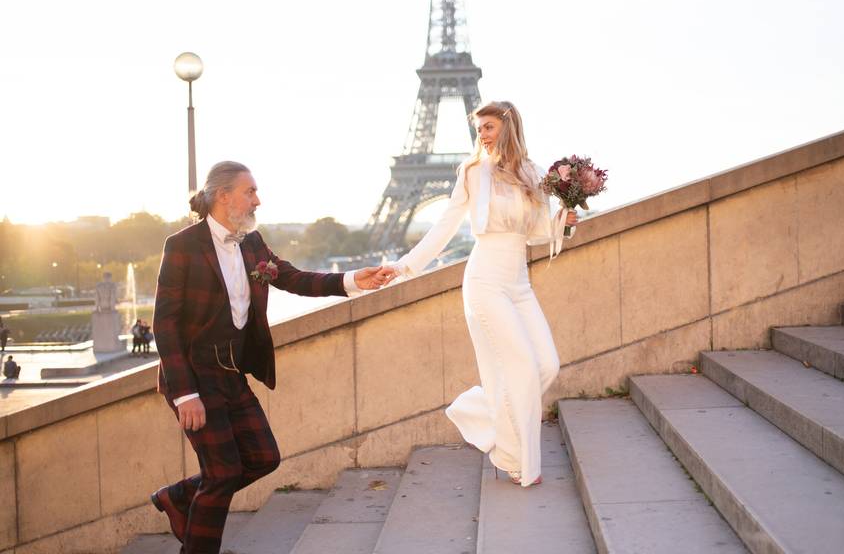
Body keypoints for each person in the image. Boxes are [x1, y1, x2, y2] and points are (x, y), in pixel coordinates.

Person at [150, 161, 395, 553]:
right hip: (196, 377)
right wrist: (185, 394)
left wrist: (351, 280)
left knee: (264, 457)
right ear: (223, 196)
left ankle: (179, 497)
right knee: (222, 473)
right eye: (250, 192)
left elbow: (294, 277)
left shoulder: (252, 243)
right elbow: (165, 324)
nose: (257, 200)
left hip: (232, 373)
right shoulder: (182, 245)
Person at [385, 101, 578, 487]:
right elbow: (446, 223)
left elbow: (538, 233)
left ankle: (482, 408)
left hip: (519, 282)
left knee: (547, 365)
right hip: (485, 280)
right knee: (522, 364)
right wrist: (405, 265)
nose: (482, 135)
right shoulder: (473, 171)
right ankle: (516, 459)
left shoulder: (534, 173)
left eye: (489, 127)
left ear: (508, 126)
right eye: (480, 129)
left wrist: (564, 221)